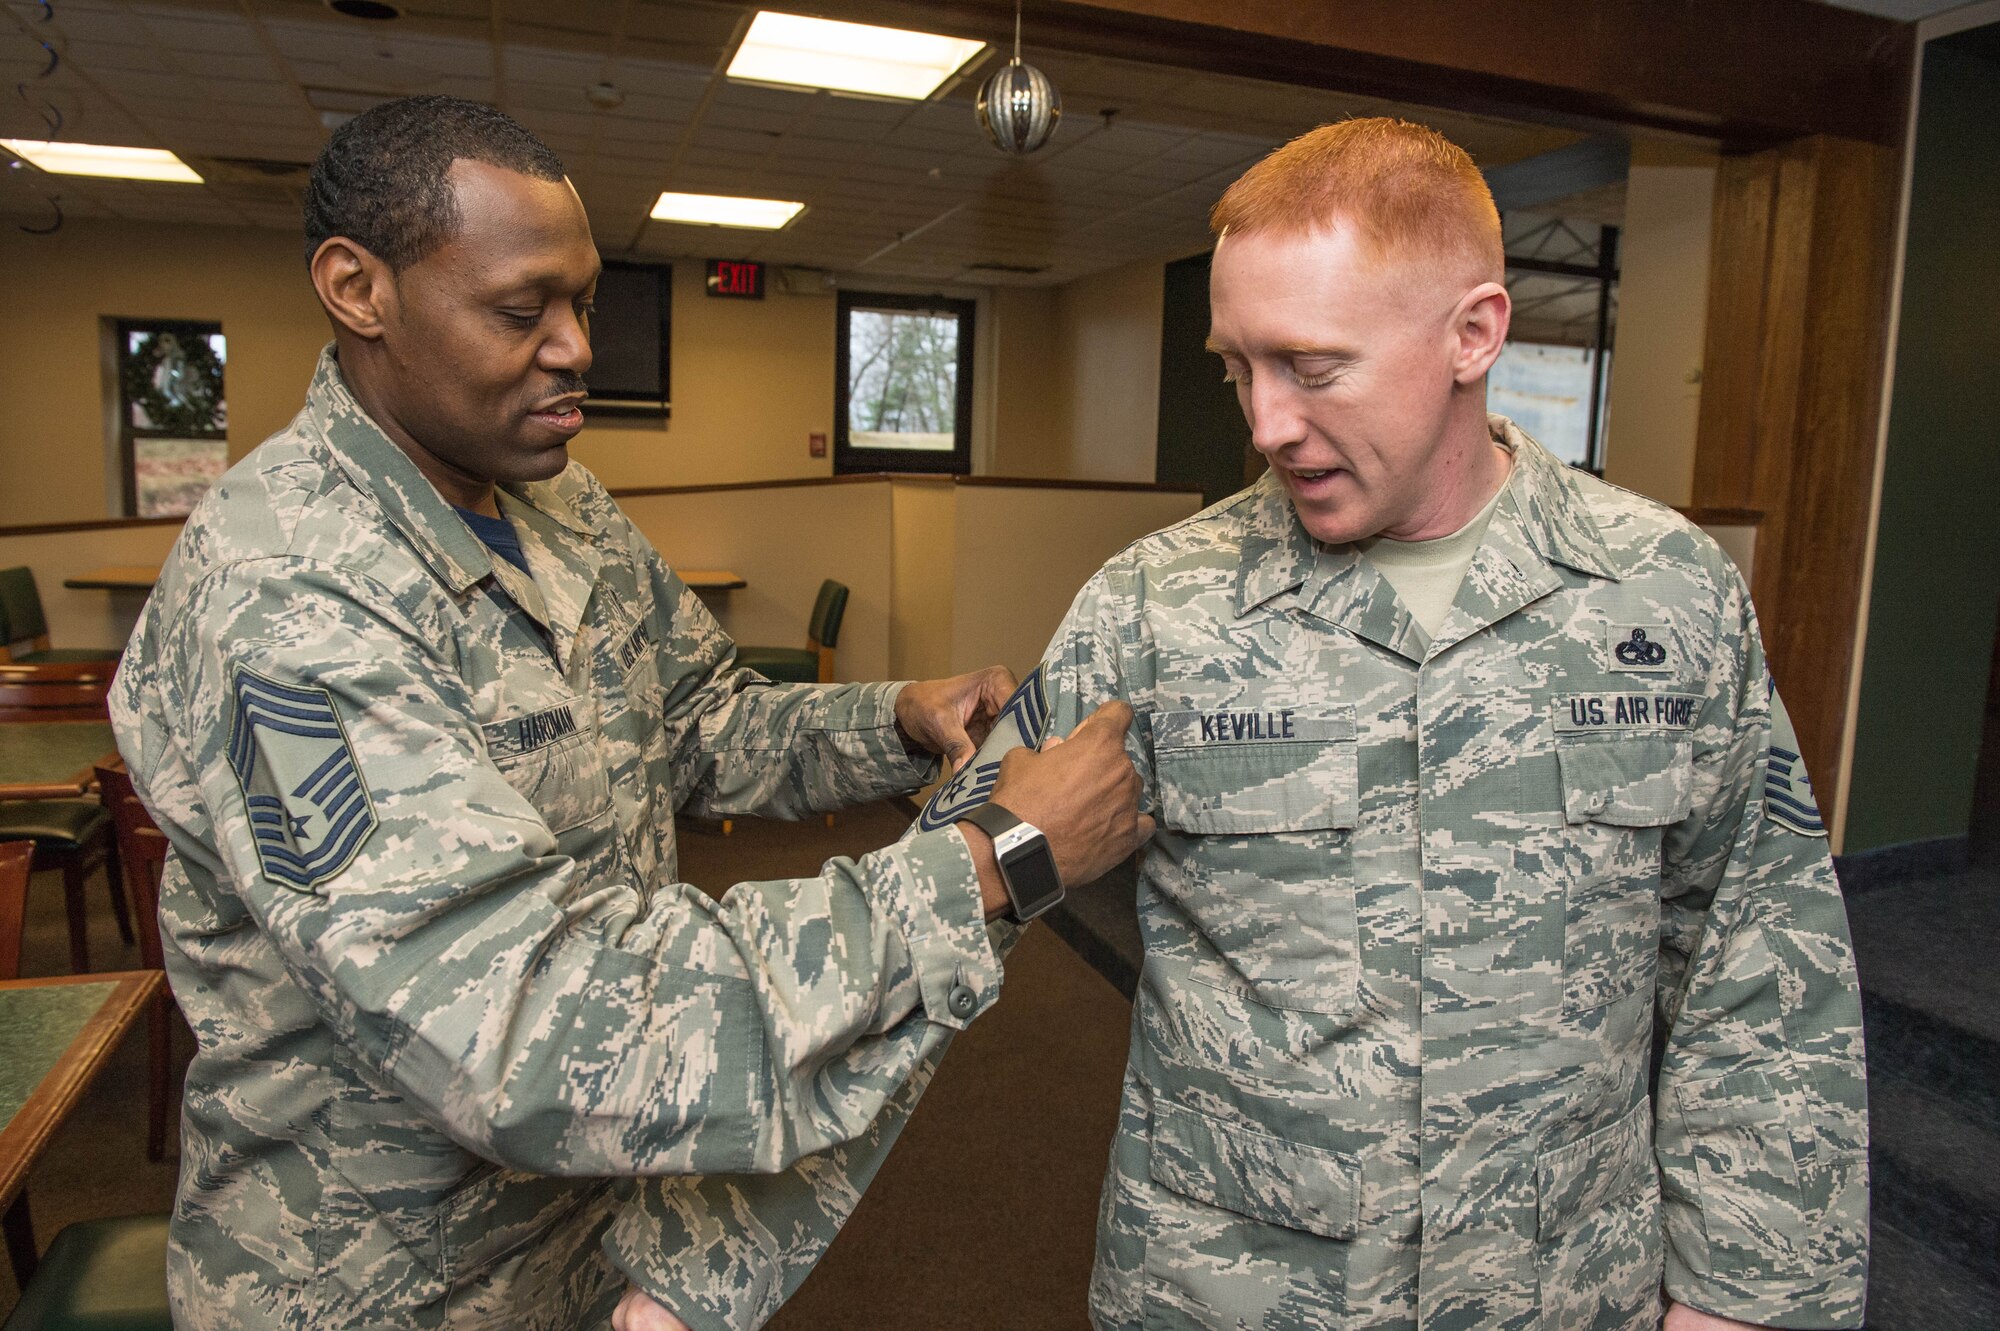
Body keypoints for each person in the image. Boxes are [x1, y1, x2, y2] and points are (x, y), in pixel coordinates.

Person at [109, 94, 1148, 1331]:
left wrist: (894, 719)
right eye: (521, 311)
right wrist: (996, 857)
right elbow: (518, 1024)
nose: (574, 348)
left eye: (584, 304)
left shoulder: (560, 504)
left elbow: (698, 720)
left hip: (600, 1228)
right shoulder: (285, 590)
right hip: (388, 1281)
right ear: (357, 289)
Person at [1026, 119, 1869, 1331]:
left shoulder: (1663, 591)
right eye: (1237, 368)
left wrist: (1744, 1294)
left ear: (1473, 334)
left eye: (1311, 367)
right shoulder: (1154, 605)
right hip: (1232, 1292)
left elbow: (1759, 958)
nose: (1263, 423)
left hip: (1562, 1287)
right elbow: (954, 898)